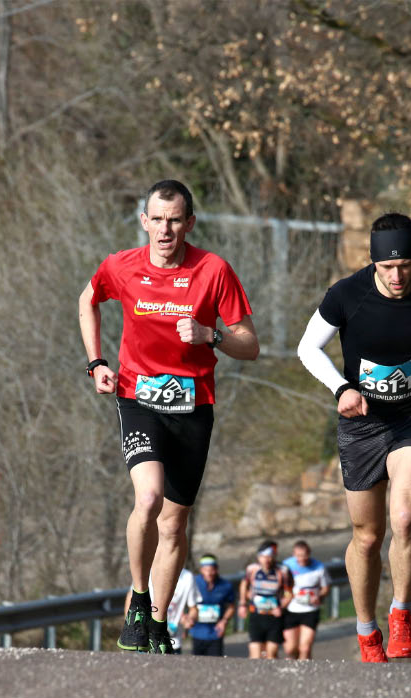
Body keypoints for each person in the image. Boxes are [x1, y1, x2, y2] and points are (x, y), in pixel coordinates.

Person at [79, 180, 259, 654]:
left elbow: (250, 345)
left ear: (189, 223)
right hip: (137, 398)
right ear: (144, 221)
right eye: (157, 219)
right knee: (149, 498)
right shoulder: (121, 266)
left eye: (175, 220)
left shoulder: (213, 270)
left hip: (193, 407)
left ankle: (159, 622)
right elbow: (87, 300)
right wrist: (96, 362)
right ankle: (139, 600)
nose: (165, 230)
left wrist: (210, 335)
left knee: (174, 525)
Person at [296, 212, 411, 663]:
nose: (397, 276)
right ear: (373, 262)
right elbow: (307, 347)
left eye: (405, 265)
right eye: (387, 267)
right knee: (368, 537)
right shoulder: (346, 295)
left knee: (406, 518)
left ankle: (401, 613)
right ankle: (366, 630)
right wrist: (341, 388)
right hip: (362, 424)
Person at [238, 540, 291, 659]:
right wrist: (242, 604)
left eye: (269, 557)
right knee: (255, 654)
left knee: (271, 654)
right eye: (263, 557)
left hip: (274, 618)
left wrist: (281, 607)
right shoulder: (252, 569)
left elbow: (289, 593)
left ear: (274, 557)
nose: (266, 560)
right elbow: (243, 585)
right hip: (256, 616)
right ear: (258, 557)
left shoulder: (282, 571)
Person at [281, 540, 331, 660]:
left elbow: (326, 588)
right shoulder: (286, 566)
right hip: (291, 610)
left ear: (309, 553)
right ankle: (293, 666)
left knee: (305, 648)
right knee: (290, 649)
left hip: (310, 610)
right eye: (298, 556)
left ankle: (305, 670)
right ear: (293, 554)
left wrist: (319, 596)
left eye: (304, 555)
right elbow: (277, 585)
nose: (302, 559)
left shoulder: (319, 567)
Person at [185, 554, 235, 656]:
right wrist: (185, 619)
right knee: (196, 662)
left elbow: (231, 607)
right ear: (201, 570)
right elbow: (182, 602)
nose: (209, 573)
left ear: (216, 569)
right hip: (197, 632)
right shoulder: (193, 582)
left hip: (216, 632)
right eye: (206, 570)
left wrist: (224, 621)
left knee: (215, 663)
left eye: (211, 570)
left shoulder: (226, 585)